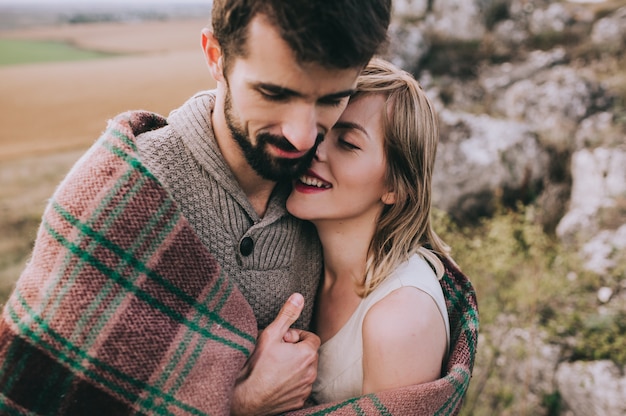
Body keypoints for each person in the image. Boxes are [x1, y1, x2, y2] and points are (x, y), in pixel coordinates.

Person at [0, 1, 391, 415]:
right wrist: (241, 404)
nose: (301, 137)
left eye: (332, 100)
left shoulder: (326, 195)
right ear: (215, 56)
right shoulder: (118, 196)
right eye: (274, 93)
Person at [286, 58, 452, 404]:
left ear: (395, 187)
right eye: (319, 129)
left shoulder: (400, 319)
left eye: (347, 143)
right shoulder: (296, 254)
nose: (313, 150)